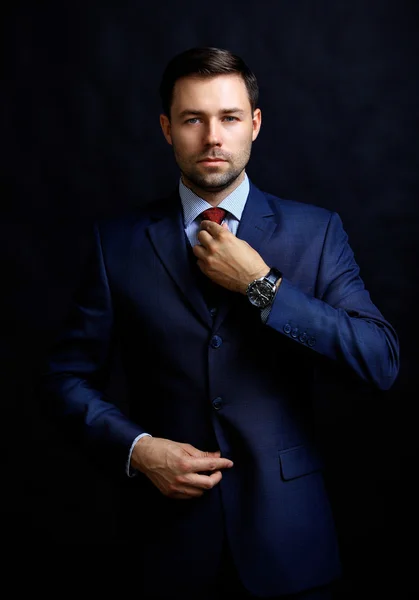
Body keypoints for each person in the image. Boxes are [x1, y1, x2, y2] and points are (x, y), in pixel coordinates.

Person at [40, 46, 400, 598]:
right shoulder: (114, 245)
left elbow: (381, 362)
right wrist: (137, 448)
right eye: (193, 118)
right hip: (163, 547)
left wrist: (264, 287)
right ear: (166, 128)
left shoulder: (317, 232)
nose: (213, 136)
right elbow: (64, 377)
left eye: (229, 117)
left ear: (254, 124)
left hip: (292, 543)